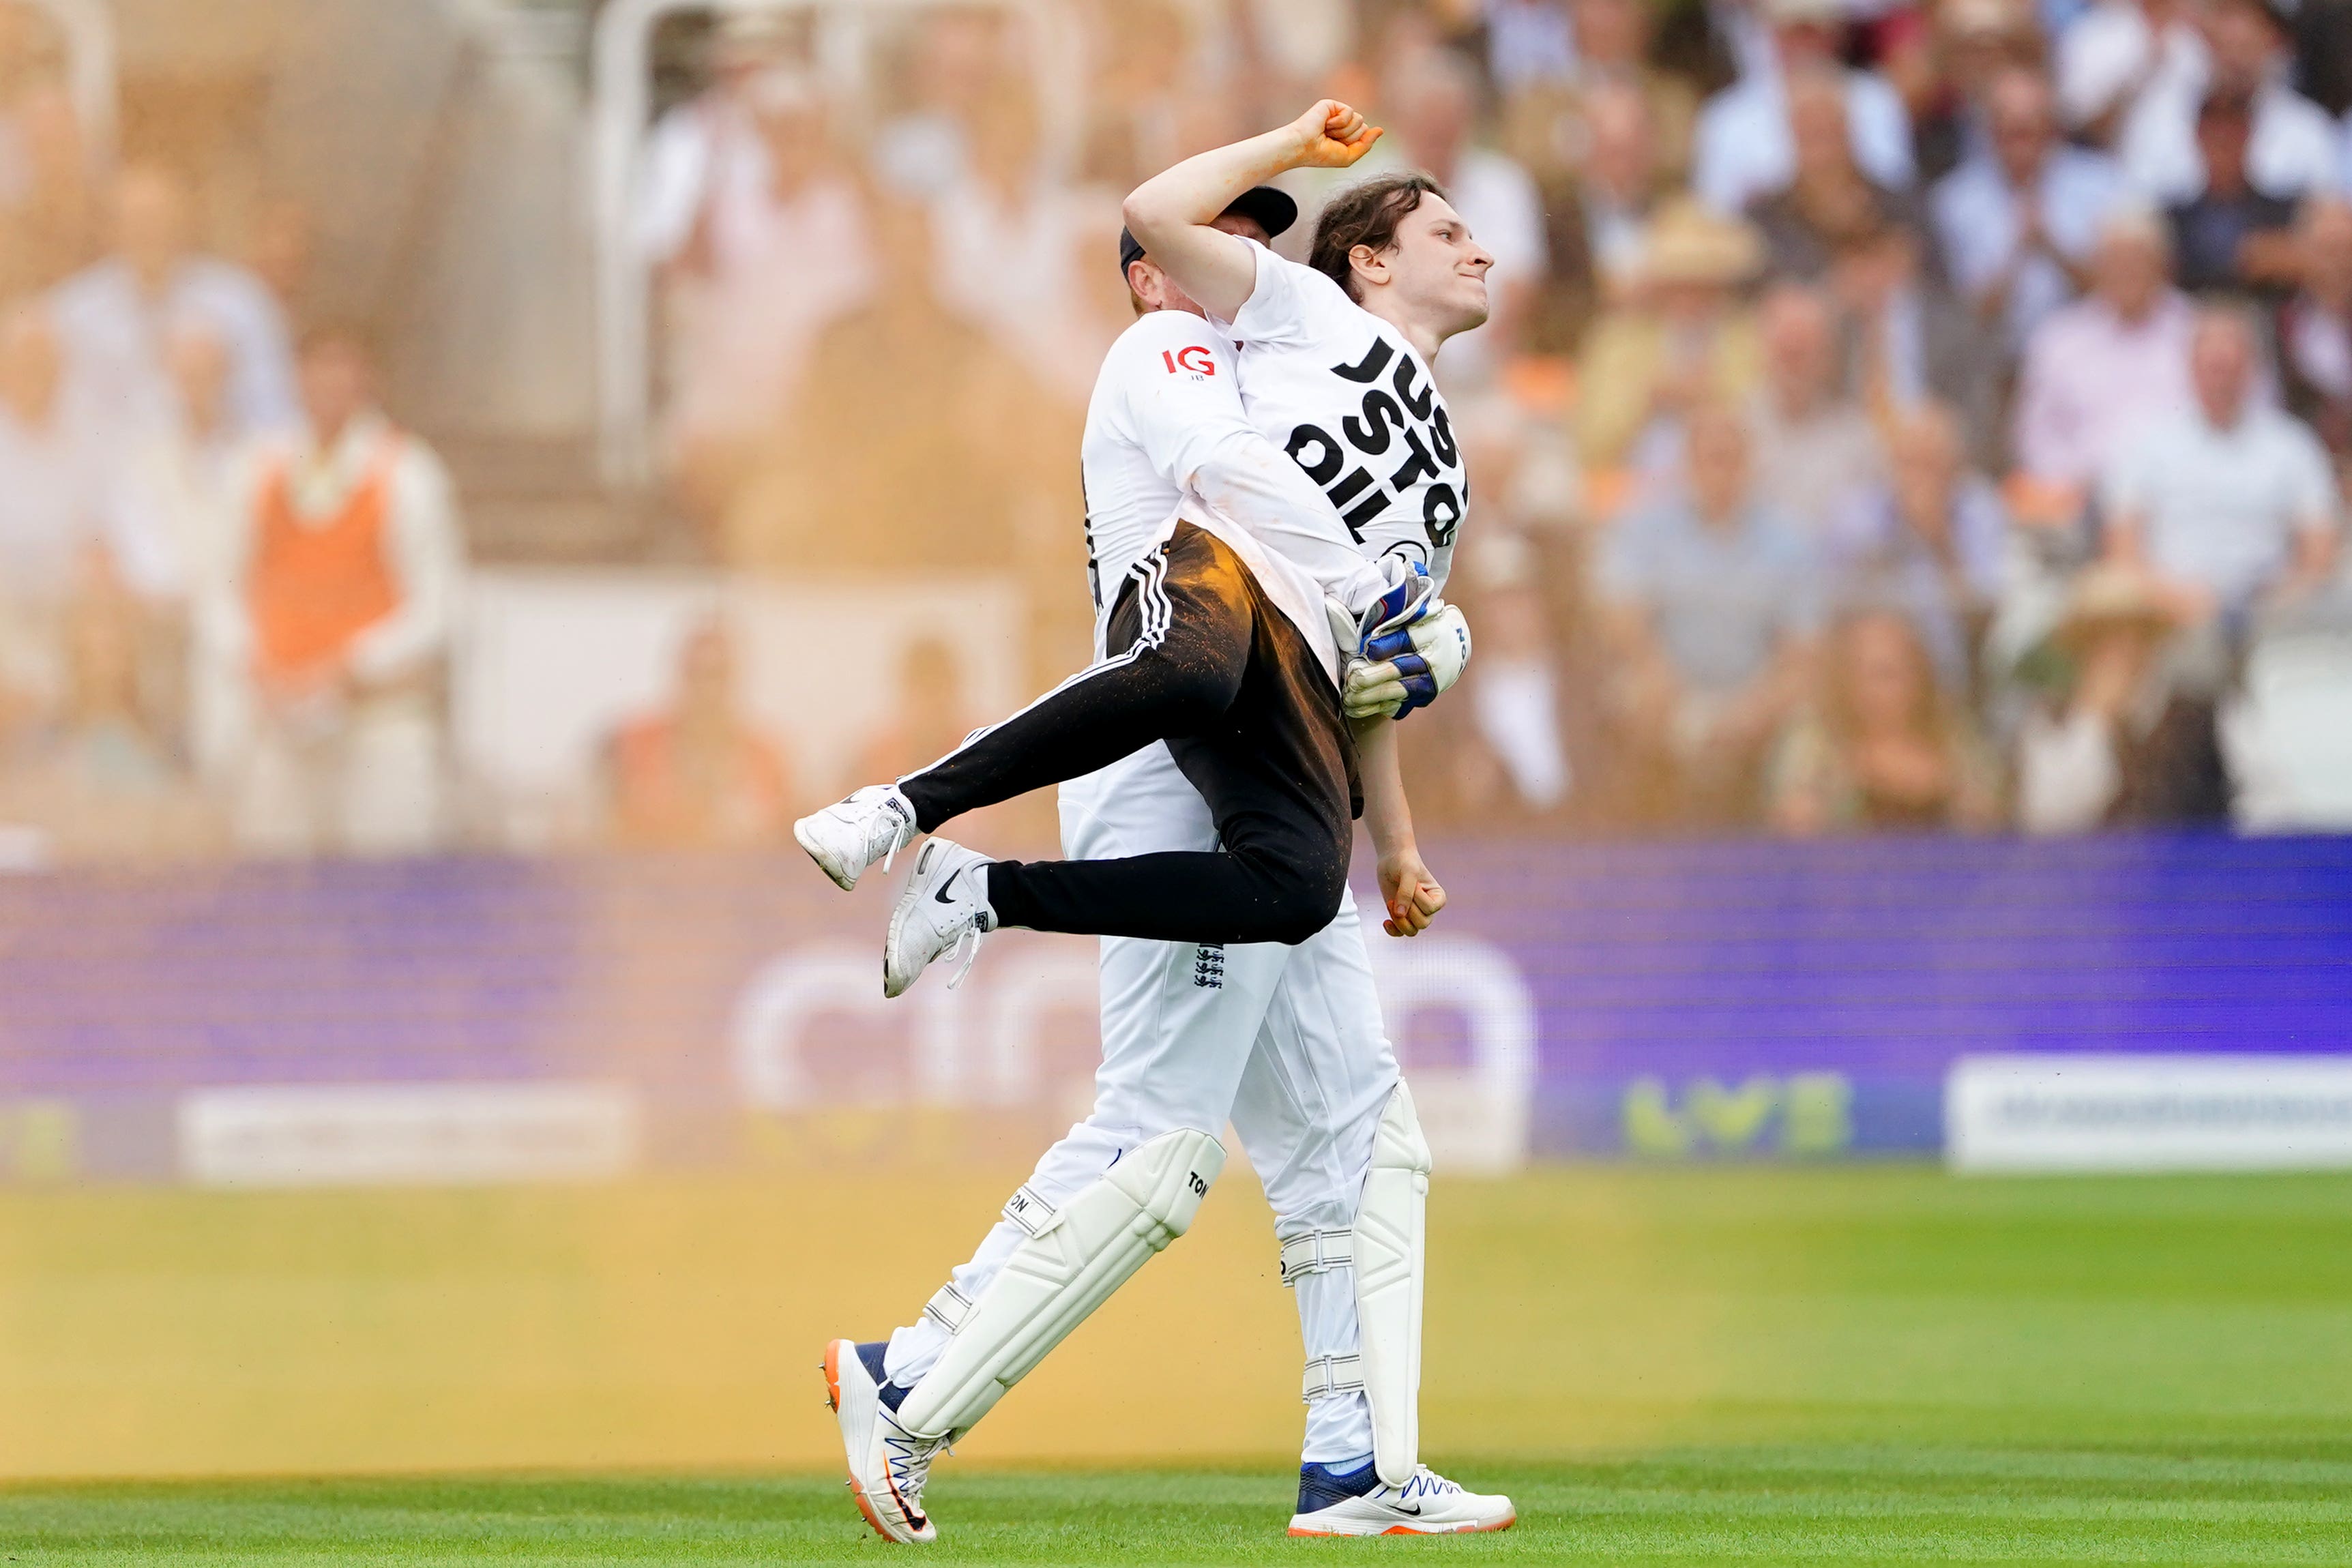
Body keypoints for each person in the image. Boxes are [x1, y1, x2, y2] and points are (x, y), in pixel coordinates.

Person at [813, 102, 1511, 1543]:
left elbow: (1360, 661)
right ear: (1367, 263)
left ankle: (1357, 1462)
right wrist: (1289, 156)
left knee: (1362, 1139)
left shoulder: (1433, 456)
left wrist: (1393, 840)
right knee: (1157, 1146)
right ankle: (909, 1377)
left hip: (1291, 750)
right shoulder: (1246, 336)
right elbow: (1244, 520)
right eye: (1447, 227)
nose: (1481, 247)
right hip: (1183, 739)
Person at [208, 326, 464, 859]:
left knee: (383, 896)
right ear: (295, 378)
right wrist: (257, 664)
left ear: (368, 380)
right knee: (274, 898)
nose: (329, 383)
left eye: (343, 368)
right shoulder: (257, 468)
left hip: (378, 723)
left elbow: (438, 606)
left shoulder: (408, 474)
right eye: (316, 367)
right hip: (280, 721)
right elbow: (220, 588)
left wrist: (348, 667)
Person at [1599, 402, 1821, 825]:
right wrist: (1658, 676)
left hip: (1758, 697)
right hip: (1669, 689)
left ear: (1750, 463)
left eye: (1731, 458)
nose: (1721, 471)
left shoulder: (1788, 541)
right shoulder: (1649, 526)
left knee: (1808, 743)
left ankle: (1794, 868)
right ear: (1689, 463)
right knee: (1627, 700)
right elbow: (1623, 618)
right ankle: (1636, 841)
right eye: (1710, 458)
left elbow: (1804, 651)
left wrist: (1756, 708)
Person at [48, 164, 296, 442]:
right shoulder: (72, 312)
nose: (148, 232)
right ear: (109, 229)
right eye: (134, 220)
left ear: (184, 221)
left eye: (157, 218)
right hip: (109, 476)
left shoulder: (241, 301)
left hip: (218, 471)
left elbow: (273, 411)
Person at [1932, 65, 2125, 354]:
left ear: (2053, 130)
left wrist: (2054, 248)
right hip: (1990, 363)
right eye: (2008, 133)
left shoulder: (2101, 185)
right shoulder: (1956, 200)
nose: (2020, 147)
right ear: (1989, 133)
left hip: (2088, 360)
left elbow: (2119, 292)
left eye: (2030, 132)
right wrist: (2016, 256)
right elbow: (1962, 314)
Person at [1573, 196, 1767, 475]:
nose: (1690, 298)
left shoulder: (1746, 337)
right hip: (1634, 488)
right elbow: (1591, 443)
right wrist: (1649, 400)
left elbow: (1762, 426)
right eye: (1679, 284)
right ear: (1660, 285)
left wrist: (1708, 396)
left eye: (1702, 285)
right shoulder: (1618, 340)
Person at [1767, 606, 2003, 834]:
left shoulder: (1951, 732)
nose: (1886, 689)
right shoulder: (1814, 739)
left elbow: (1989, 814)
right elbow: (1792, 823)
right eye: (1874, 674)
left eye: (1899, 671)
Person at [2011, 205, 2196, 495]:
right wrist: (2073, 481)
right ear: (2097, 267)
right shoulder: (2059, 338)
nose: (2127, 273)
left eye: (2138, 261)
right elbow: (2035, 438)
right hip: (2084, 499)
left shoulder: (2197, 331)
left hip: (2185, 495)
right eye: (2115, 262)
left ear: (2163, 266)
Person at [1827, 401, 2008, 693]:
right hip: (1869, 670)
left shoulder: (1979, 507)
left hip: (1953, 674)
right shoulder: (1859, 509)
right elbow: (1840, 601)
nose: (1919, 477)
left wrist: (1940, 541)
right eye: (1908, 462)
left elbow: (1986, 615)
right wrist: (1901, 527)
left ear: (1955, 466)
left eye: (1932, 463)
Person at [1692, 0, 1915, 215]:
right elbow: (1714, 208)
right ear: (1772, 33)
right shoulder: (1728, 116)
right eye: (1794, 33)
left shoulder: (1875, 97)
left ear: (1837, 34)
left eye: (1814, 32)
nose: (1805, 44)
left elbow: (1894, 185)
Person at [2115, 0, 2339, 205]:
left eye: (2253, 23)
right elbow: (2138, 212)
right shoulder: (2159, 118)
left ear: (2278, 40)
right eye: (2226, 18)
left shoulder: (2308, 128)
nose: (2235, 34)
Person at [602, 619, 795, 850]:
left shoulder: (768, 758)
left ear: (734, 679)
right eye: (697, 673)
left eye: (717, 675)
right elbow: (599, 830)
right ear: (681, 674)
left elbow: (788, 840)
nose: (707, 688)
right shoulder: (632, 746)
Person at [1747, 280, 1885, 541]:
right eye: (1787, 353)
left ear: (1829, 357)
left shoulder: (1859, 439)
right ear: (1762, 351)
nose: (1794, 367)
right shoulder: (1730, 430)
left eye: (1806, 352)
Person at [2164, 90, 2302, 295]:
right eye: (2214, 130)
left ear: (2250, 135)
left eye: (2233, 129)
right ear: (2198, 137)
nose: (2223, 140)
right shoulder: (2173, 220)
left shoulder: (2285, 215)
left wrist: (2293, 259)